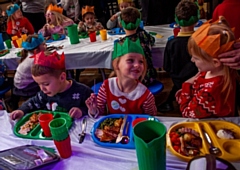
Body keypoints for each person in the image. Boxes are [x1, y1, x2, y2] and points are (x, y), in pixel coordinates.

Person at [176, 16, 238, 118]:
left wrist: (186, 88)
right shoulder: (216, 70)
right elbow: (198, 83)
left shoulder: (209, 92)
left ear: (215, 62)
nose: (192, 60)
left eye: (196, 58)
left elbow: (187, 113)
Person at [85, 38, 157, 118]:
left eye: (141, 61)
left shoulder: (145, 95)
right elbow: (100, 113)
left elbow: (152, 118)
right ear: (116, 65)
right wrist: (93, 110)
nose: (137, 65)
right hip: (113, 129)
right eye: (130, 60)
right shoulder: (106, 86)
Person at [10, 51, 92, 120]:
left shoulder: (83, 92)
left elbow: (96, 112)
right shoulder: (45, 94)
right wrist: (21, 111)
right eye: (38, 84)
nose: (42, 89)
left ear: (62, 77)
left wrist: (81, 111)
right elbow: (32, 102)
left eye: (46, 84)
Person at [158, 0, 199, 112]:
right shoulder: (200, 41)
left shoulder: (172, 43)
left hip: (178, 81)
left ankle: (171, 101)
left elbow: (166, 66)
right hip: (198, 81)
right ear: (196, 20)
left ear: (176, 20)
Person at [118, 7, 157, 86]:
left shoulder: (121, 44)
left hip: (134, 81)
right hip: (150, 77)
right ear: (139, 22)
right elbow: (152, 40)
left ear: (121, 24)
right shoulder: (144, 35)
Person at [9, 34, 46, 110]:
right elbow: (43, 72)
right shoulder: (34, 60)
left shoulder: (30, 55)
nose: (46, 45)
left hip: (18, 83)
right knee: (46, 83)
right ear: (36, 51)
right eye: (43, 44)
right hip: (24, 87)